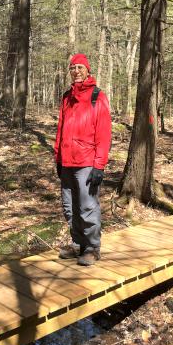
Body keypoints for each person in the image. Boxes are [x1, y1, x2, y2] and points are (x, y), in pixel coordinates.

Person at [54, 53, 112, 266]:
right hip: (67, 160)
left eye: (80, 67)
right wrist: (58, 157)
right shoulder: (66, 97)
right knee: (69, 206)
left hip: (87, 161)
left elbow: (104, 133)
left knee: (87, 206)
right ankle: (78, 244)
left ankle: (92, 248)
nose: (76, 71)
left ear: (88, 70)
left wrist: (99, 165)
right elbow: (61, 129)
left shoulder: (98, 97)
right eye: (73, 68)